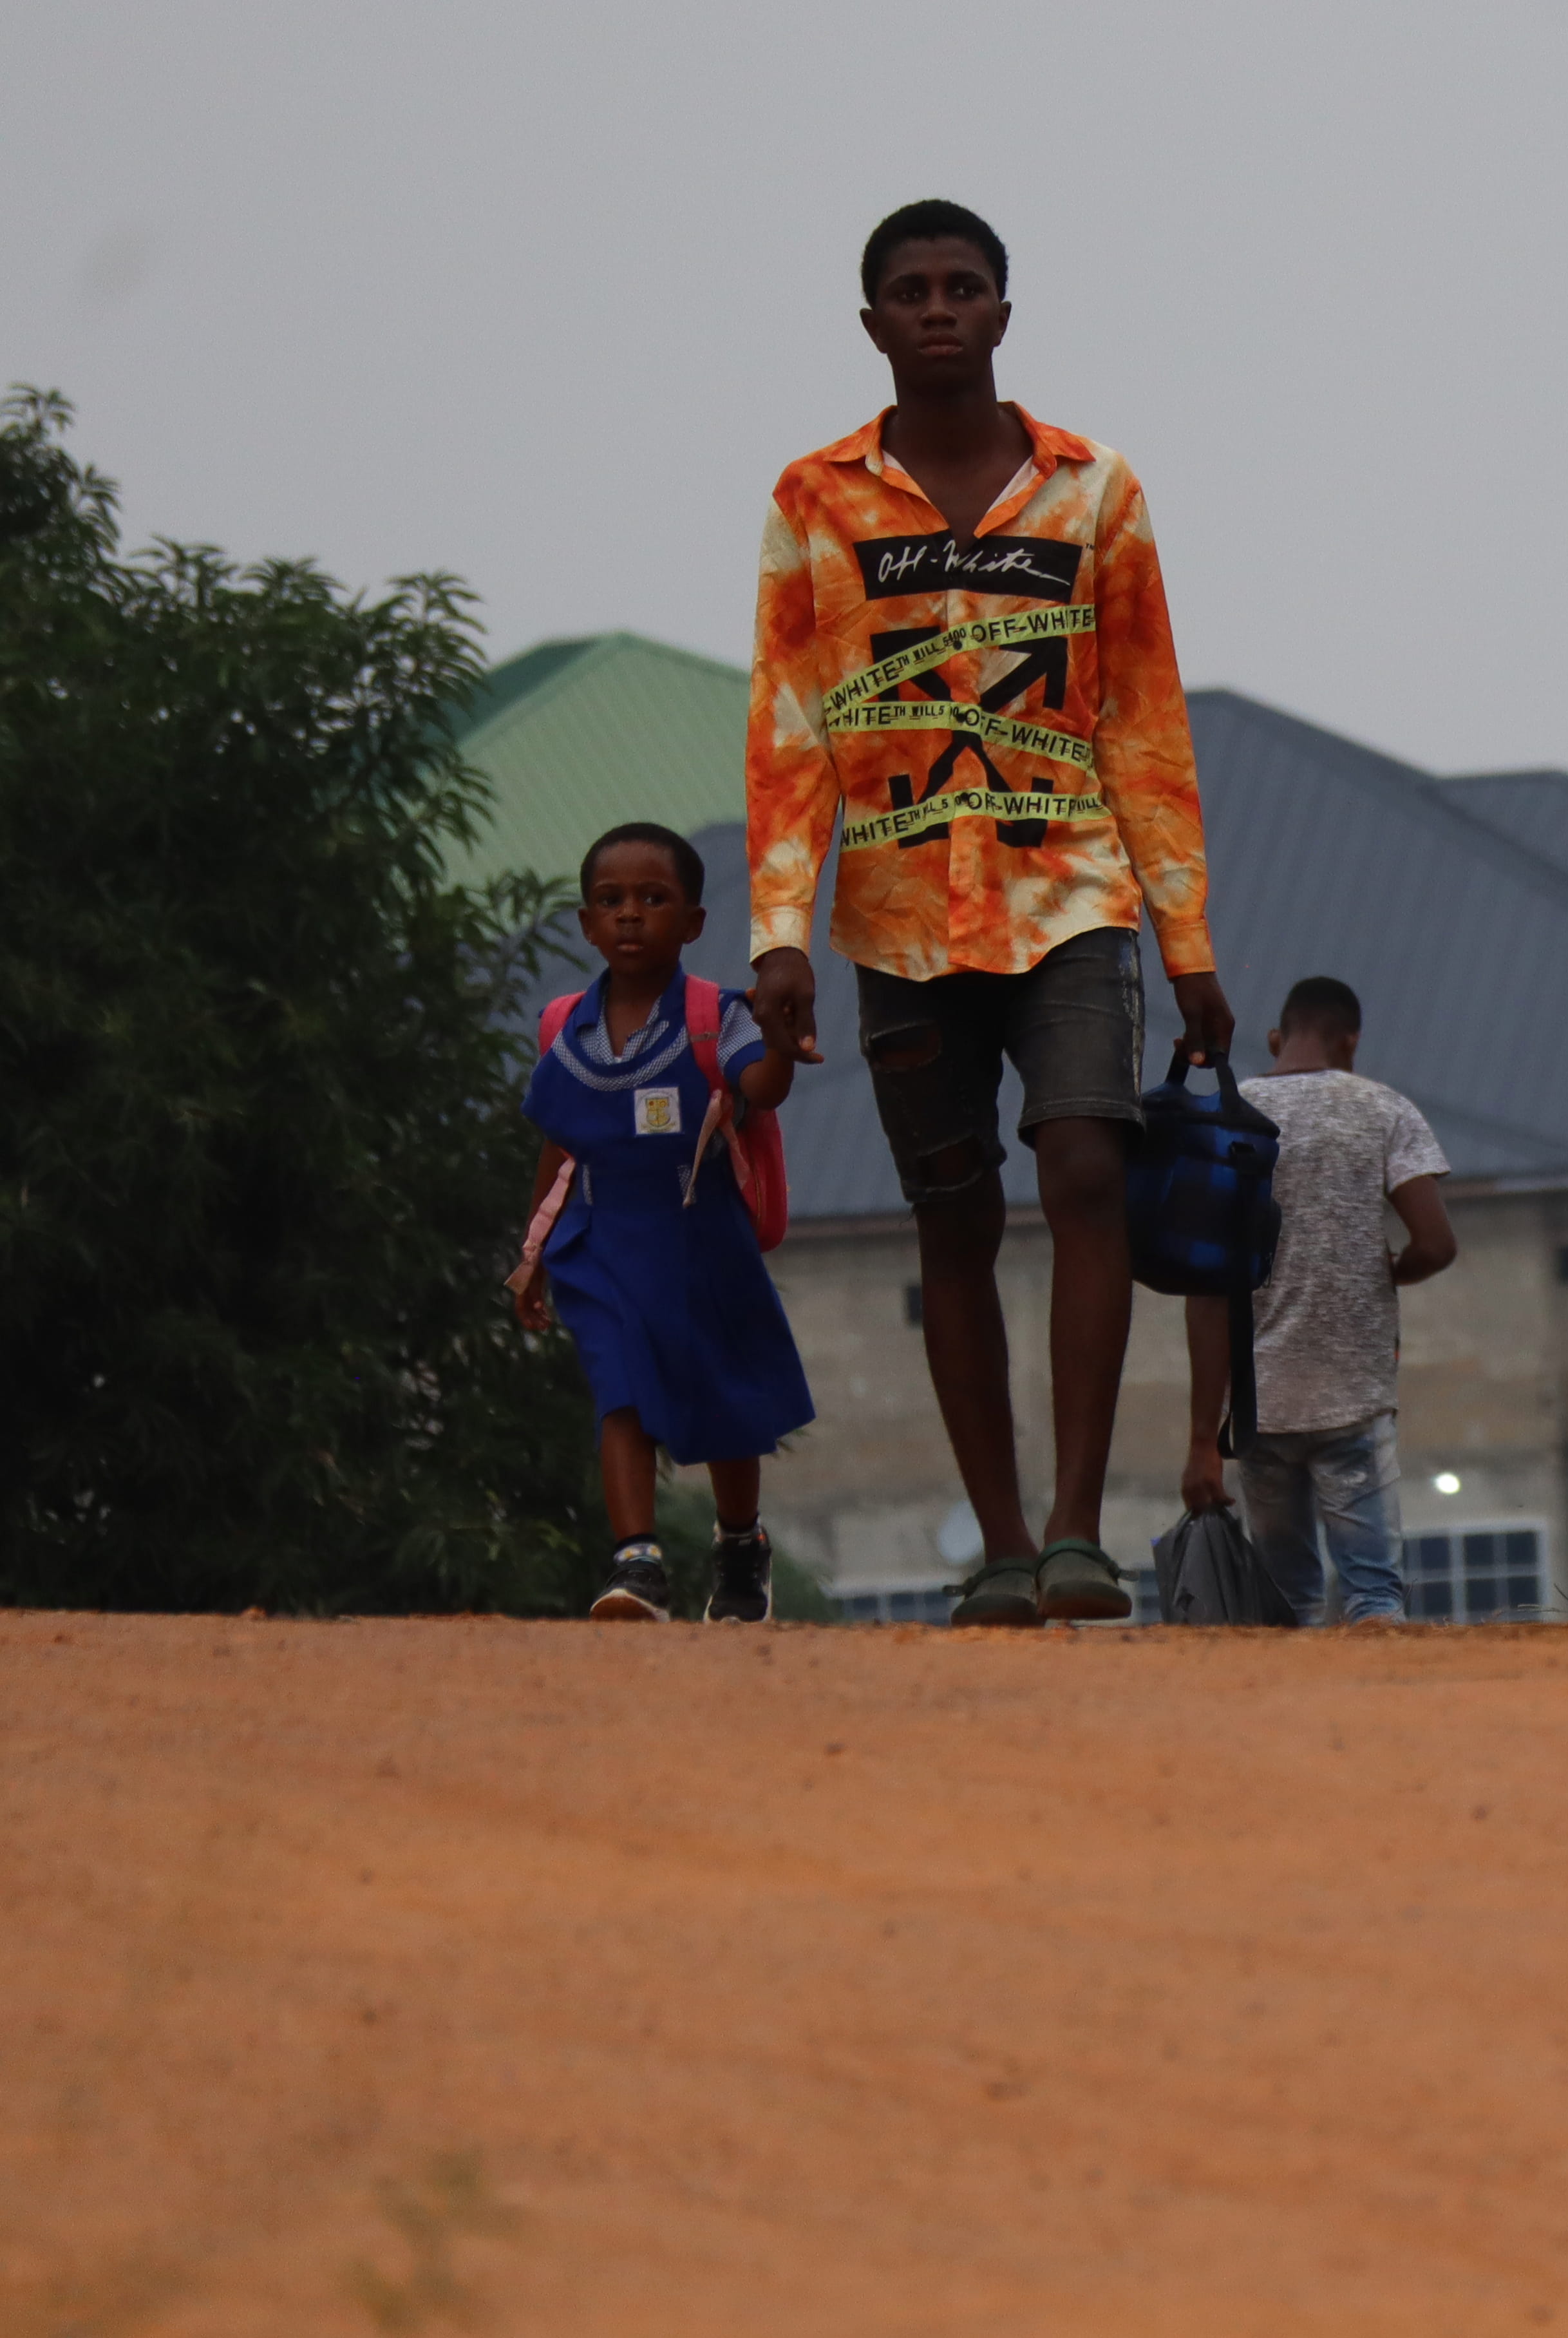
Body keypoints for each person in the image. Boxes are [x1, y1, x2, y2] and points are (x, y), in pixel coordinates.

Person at [743, 196, 1234, 1628]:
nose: (941, 308)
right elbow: (789, 726)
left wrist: (1187, 936)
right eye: (913, 289)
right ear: (875, 323)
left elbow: (1146, 718)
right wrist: (780, 931)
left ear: (1006, 314)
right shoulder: (815, 500)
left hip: (1072, 892)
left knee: (1086, 1170)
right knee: (953, 1216)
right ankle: (1004, 1548)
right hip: (897, 915)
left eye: (966, 286)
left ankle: (1083, 1527)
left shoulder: (1094, 491)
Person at [513, 824, 816, 1622]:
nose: (630, 917)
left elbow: (764, 1085)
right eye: (611, 902)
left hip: (702, 1243)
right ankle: (637, 1564)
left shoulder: (722, 1017)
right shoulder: (564, 1029)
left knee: (728, 1402)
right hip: (602, 1244)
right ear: (586, 924)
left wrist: (781, 1043)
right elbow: (558, 1142)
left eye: (653, 900)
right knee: (620, 1396)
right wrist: (533, 1254)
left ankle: (740, 1546)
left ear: (692, 923)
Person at [1185, 978, 1455, 1625]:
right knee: (1374, 1597)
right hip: (1354, 1403)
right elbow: (1437, 1243)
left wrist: (1201, 1438)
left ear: (1277, 1039)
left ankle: (1297, 1720)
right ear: (1350, 1041)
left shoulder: (1229, 1115)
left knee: (1289, 1607)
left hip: (1260, 1412)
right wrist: (1393, 1270)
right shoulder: (1385, 1110)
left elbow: (1207, 1288)